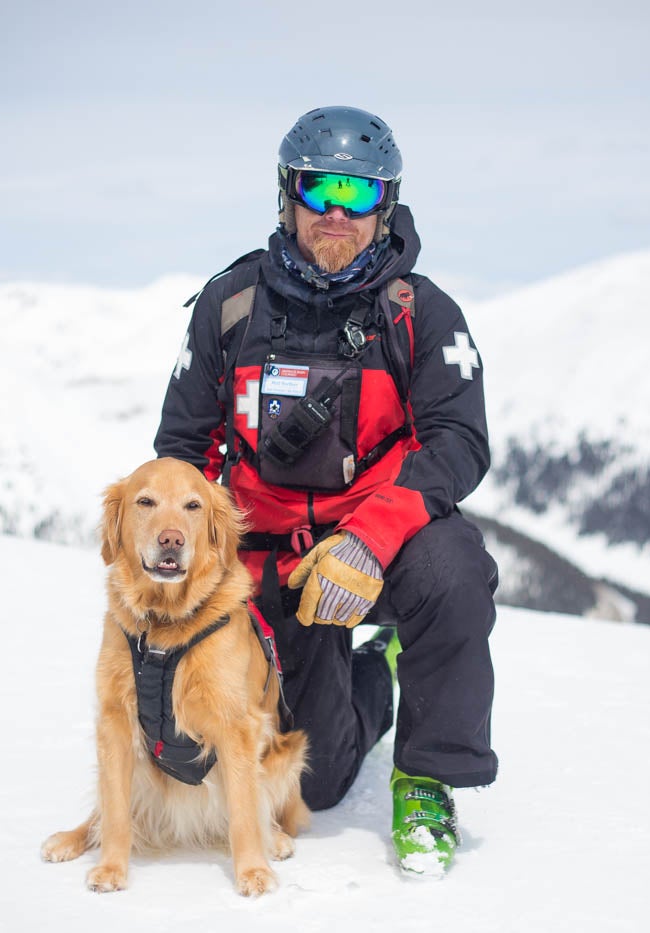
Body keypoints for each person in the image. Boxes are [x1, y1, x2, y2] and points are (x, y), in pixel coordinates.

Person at [154, 105, 497, 878]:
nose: (336, 212)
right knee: (318, 785)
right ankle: (375, 671)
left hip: (374, 551)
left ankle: (429, 780)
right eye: (319, 192)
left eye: (359, 193)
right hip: (266, 567)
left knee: (454, 568)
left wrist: (369, 540)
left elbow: (458, 442)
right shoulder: (232, 305)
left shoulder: (418, 313)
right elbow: (181, 453)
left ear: (387, 206)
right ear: (288, 196)